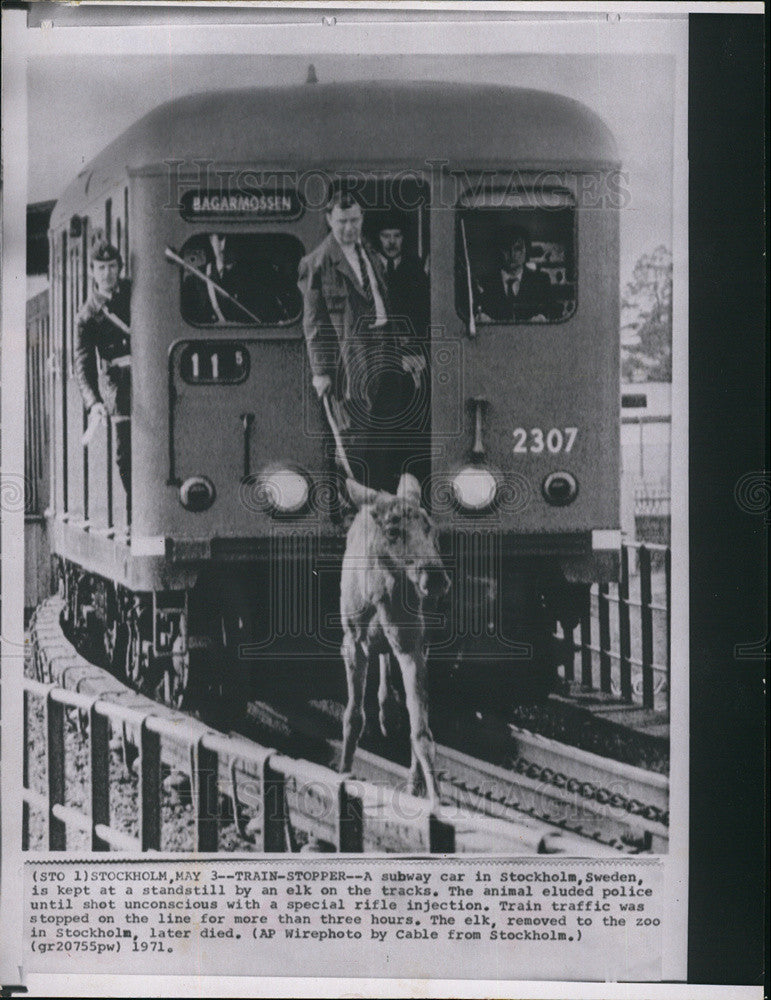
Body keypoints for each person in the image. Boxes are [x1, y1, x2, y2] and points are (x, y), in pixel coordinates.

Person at [297, 190, 425, 496]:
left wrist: (402, 352)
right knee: (358, 438)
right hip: (354, 358)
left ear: (362, 219)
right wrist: (321, 372)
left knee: (387, 430)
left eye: (354, 220)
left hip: (386, 351)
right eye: (342, 222)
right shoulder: (317, 263)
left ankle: (384, 498)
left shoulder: (367, 252)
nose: (349, 228)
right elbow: (313, 324)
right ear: (329, 220)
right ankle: (363, 507)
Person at [74, 239, 132, 519]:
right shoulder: (88, 315)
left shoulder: (134, 293)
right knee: (126, 454)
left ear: (120, 268)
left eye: (112, 266)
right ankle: (136, 515)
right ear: (92, 272)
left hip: (151, 378)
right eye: (101, 268)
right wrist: (93, 401)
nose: (107, 273)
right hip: (118, 387)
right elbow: (83, 363)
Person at [475, 224, 556, 323]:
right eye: (506, 248)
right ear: (498, 250)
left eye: (518, 248)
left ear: (526, 250)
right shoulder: (484, 283)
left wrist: (544, 319)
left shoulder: (541, 281)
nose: (512, 254)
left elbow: (553, 313)